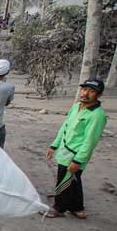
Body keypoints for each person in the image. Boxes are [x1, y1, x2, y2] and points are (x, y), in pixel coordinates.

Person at [44, 79, 108, 220]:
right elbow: (65, 127)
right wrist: (54, 145)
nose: (85, 93)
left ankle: (58, 208)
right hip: (64, 150)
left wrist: (78, 160)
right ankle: (77, 208)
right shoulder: (76, 107)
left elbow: (90, 141)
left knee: (64, 181)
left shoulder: (97, 115)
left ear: (99, 94)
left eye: (91, 91)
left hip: (75, 155)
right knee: (73, 180)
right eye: (84, 89)